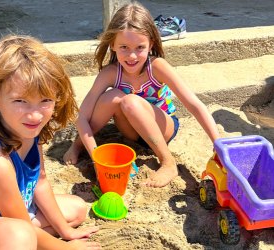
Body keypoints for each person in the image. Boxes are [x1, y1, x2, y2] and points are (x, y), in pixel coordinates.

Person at [63, 1, 220, 188]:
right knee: (111, 97)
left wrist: (218, 144)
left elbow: (194, 104)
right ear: (112, 44)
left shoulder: (157, 67)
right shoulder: (110, 73)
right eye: (124, 47)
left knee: (130, 101)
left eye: (139, 47)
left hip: (163, 129)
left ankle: (168, 162)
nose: (132, 56)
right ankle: (80, 146)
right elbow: (82, 116)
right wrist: (93, 156)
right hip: (131, 133)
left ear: (151, 43)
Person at [0, 34, 101, 250]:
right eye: (20, 101)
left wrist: (66, 232)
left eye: (45, 101)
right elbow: (20, 224)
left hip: (11, 218)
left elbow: (40, 182)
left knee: (76, 209)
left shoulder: (29, 131)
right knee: (20, 236)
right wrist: (67, 248)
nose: (35, 116)